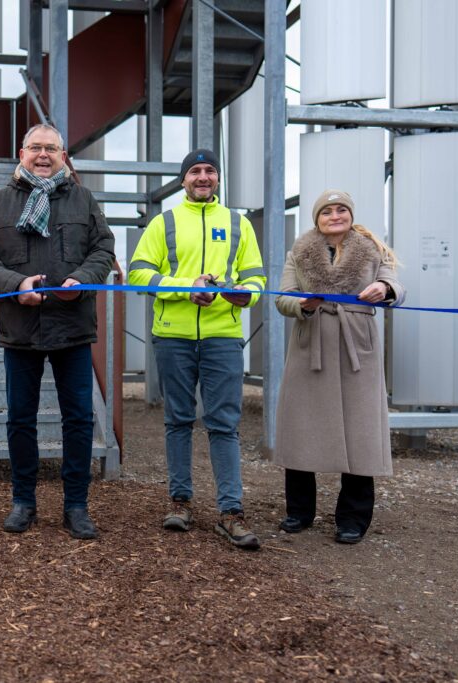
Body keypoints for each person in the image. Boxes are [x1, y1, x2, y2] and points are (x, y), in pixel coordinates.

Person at [0, 123, 116, 540]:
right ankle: (24, 502)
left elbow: (104, 248)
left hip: (72, 327)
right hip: (20, 329)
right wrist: (16, 285)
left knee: (78, 420)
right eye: (35, 147)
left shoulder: (83, 199)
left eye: (51, 148)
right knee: (20, 420)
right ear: (22, 152)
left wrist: (82, 279)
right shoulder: (1, 202)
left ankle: (76, 506)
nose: (43, 155)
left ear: (63, 156)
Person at [128, 148, 266, 550]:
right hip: (173, 334)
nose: (202, 177)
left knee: (224, 423)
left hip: (223, 335)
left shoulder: (238, 224)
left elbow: (256, 277)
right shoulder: (163, 222)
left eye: (209, 171)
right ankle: (180, 502)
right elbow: (139, 274)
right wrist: (186, 288)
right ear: (183, 180)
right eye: (195, 171)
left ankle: (230, 511)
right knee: (178, 419)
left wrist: (246, 297)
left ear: (218, 179)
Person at [273, 190, 405, 544]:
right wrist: (305, 302)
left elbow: (396, 286)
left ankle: (353, 517)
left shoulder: (373, 248)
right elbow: (283, 297)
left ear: (350, 214)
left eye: (341, 209)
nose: (335, 215)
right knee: (302, 427)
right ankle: (299, 511)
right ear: (317, 218)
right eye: (327, 211)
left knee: (360, 431)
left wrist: (383, 287)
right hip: (310, 346)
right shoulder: (299, 252)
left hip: (356, 350)